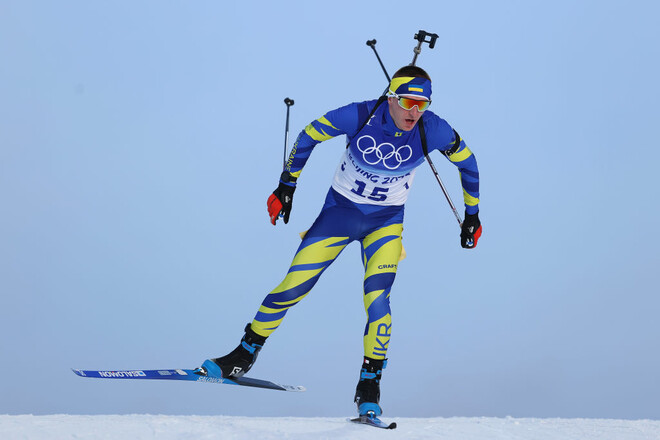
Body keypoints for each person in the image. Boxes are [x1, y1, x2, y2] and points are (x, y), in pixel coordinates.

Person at [198, 65, 481, 418]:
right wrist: (287, 185)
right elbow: (308, 134)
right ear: (391, 97)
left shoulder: (433, 129)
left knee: (378, 301)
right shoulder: (360, 115)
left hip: (385, 224)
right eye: (408, 101)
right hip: (339, 215)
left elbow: (468, 164)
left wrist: (472, 215)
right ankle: (243, 354)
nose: (414, 111)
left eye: (422, 104)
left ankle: (369, 385)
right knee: (292, 286)